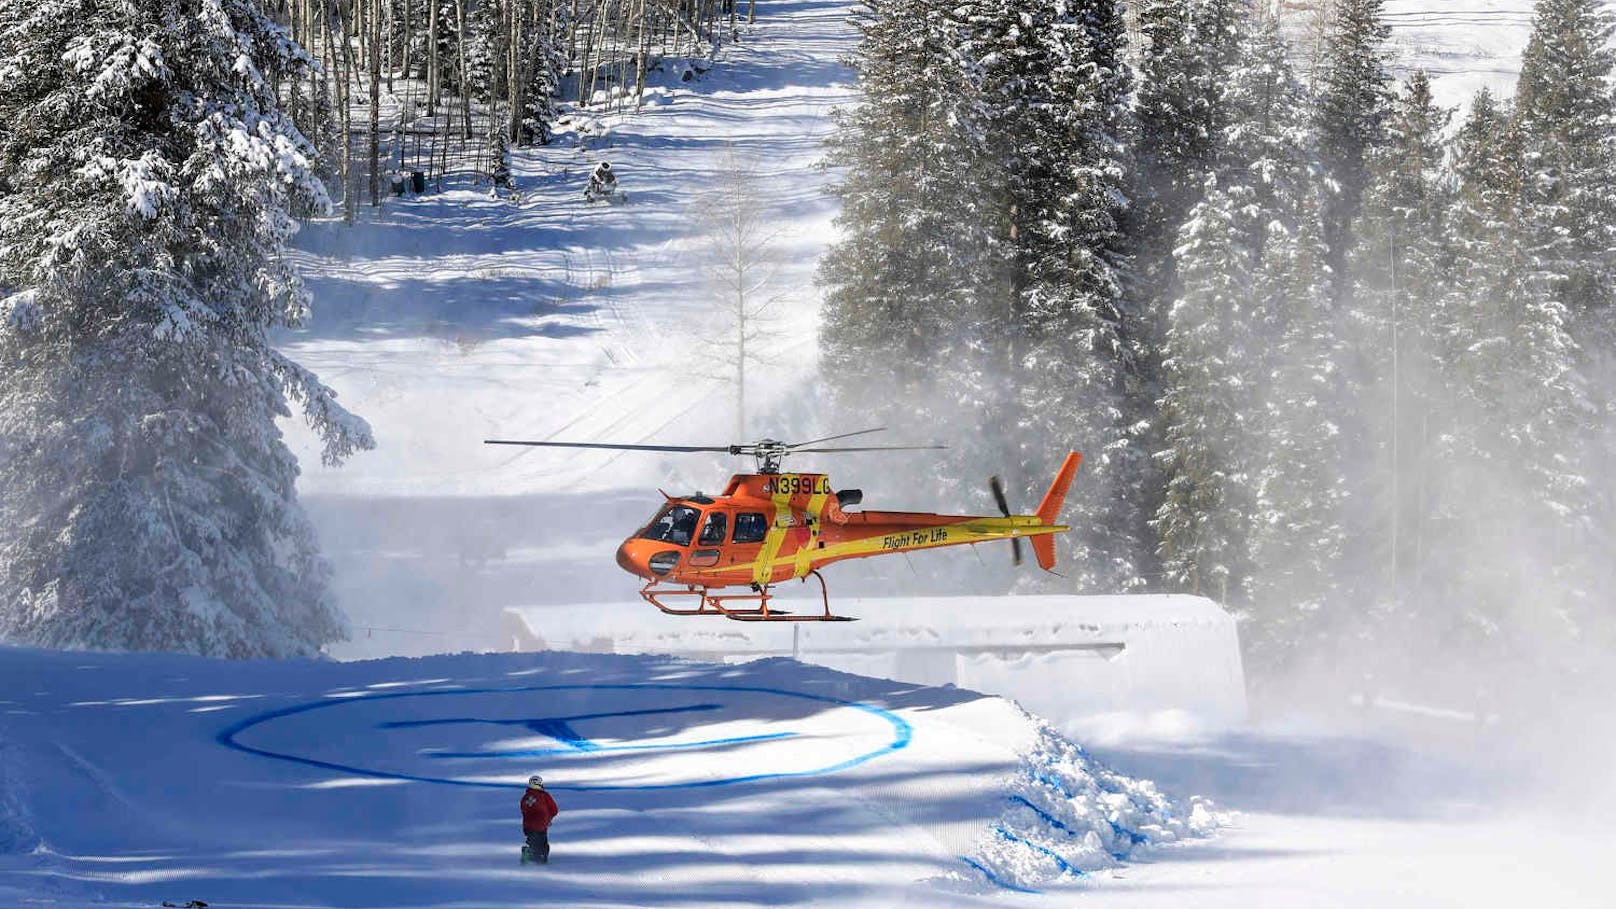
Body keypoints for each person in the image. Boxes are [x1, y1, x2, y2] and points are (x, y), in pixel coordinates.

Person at [520, 774, 559, 864]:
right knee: (542, 843)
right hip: (541, 825)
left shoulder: (525, 797)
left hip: (527, 825)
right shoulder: (544, 796)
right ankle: (540, 857)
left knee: (532, 839)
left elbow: (523, 809)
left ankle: (528, 852)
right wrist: (548, 818)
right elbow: (554, 810)